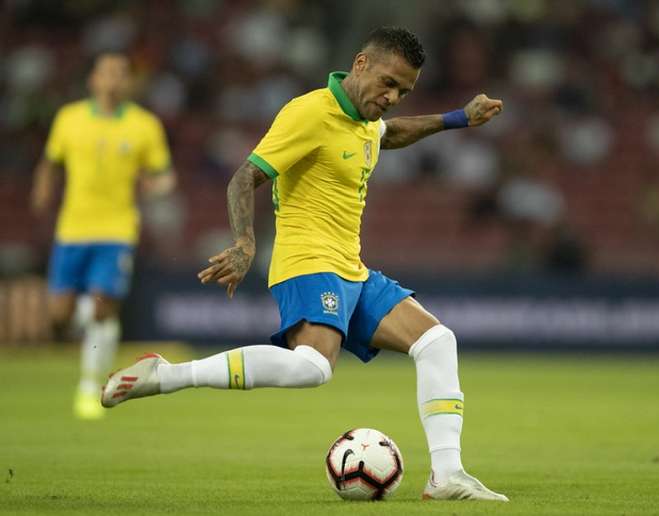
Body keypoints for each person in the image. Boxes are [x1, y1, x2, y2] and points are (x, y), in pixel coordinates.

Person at [102, 27, 506, 501]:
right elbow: (244, 177)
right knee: (313, 367)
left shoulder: (363, 118)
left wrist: (458, 118)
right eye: (388, 83)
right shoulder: (309, 113)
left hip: (352, 267)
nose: (392, 96)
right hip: (307, 260)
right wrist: (245, 243)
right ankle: (167, 375)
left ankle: (447, 477)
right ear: (360, 64)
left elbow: (387, 134)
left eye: (403, 90)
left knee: (437, 341)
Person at [30, 51, 176, 420]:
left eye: (121, 73)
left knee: (102, 306)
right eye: (106, 72)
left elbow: (164, 175)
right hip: (72, 229)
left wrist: (155, 186)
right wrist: (42, 190)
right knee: (59, 315)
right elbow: (50, 162)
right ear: (92, 80)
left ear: (128, 82)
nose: (113, 79)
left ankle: (89, 384)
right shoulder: (69, 119)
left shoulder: (145, 126)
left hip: (117, 230)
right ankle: (90, 320)